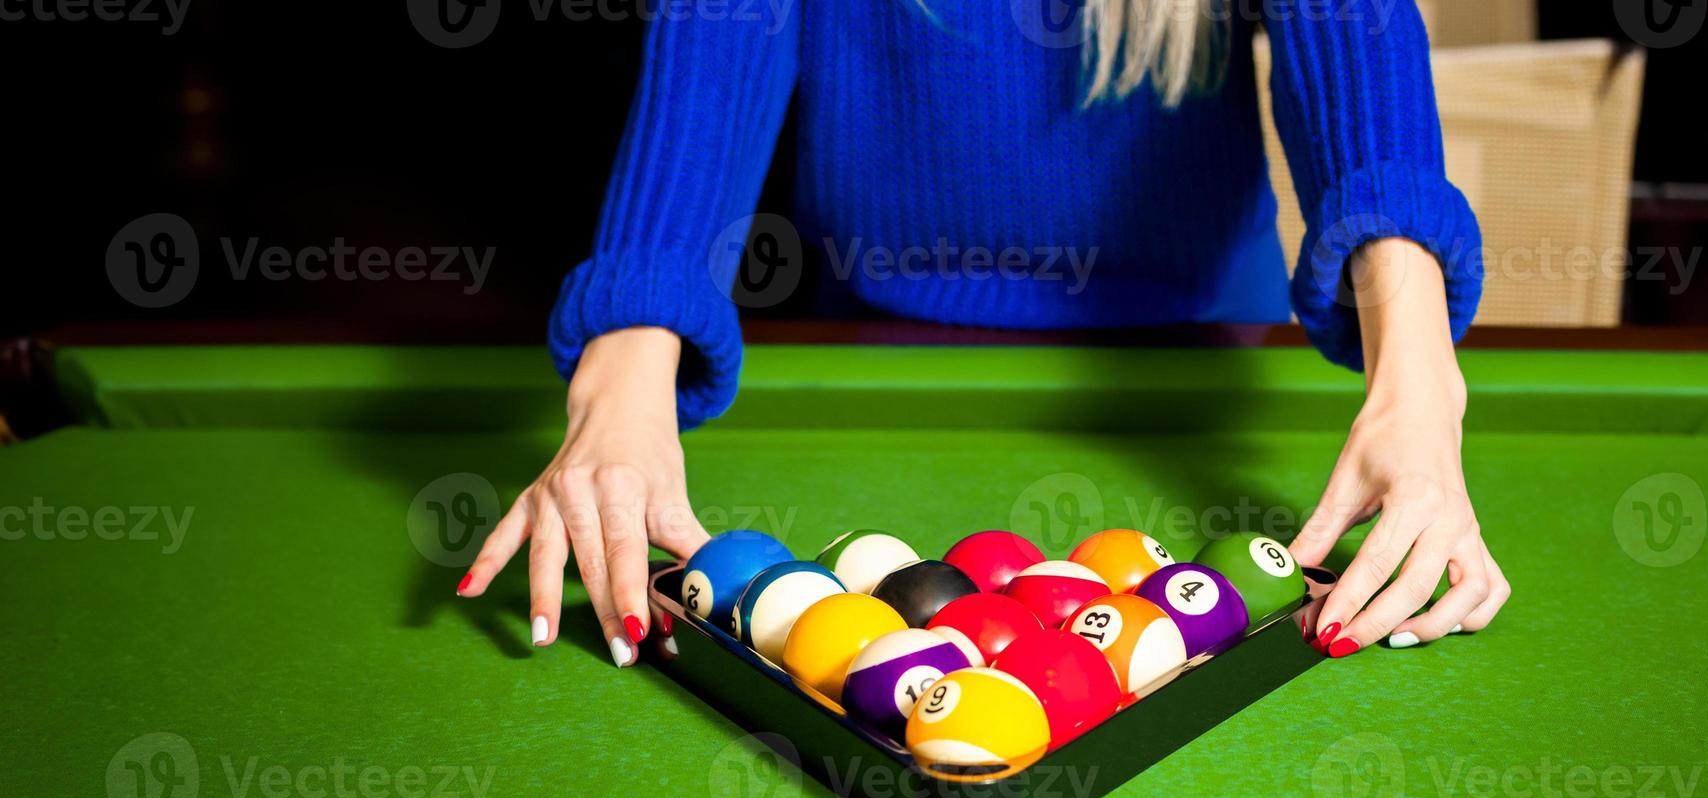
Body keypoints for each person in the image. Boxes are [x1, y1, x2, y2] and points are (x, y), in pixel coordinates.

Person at [458, 1, 1511, 667]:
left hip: (1202, 330)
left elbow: (1353, 26)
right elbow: (717, 39)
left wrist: (1419, 379)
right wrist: (621, 377)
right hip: (875, 329)